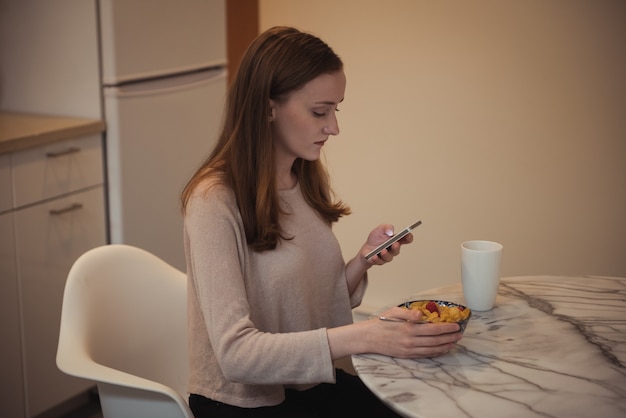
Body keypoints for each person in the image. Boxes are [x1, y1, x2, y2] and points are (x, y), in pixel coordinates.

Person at [181, 26, 463, 418]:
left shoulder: (302, 178)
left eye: (336, 109)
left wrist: (361, 261)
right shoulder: (213, 201)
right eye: (319, 111)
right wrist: (366, 335)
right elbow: (235, 355)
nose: (333, 127)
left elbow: (307, 306)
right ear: (267, 108)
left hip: (307, 385)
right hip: (244, 403)